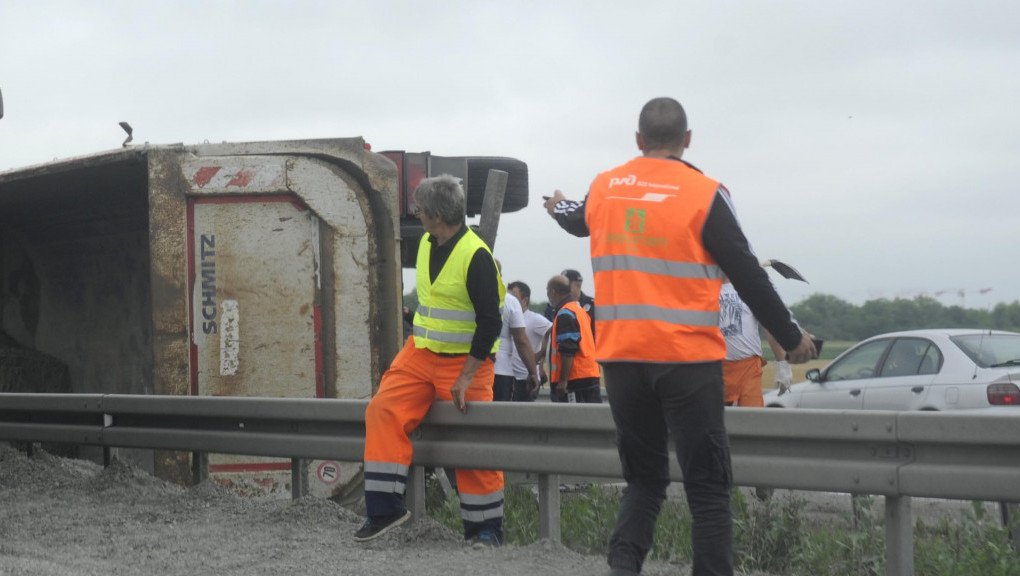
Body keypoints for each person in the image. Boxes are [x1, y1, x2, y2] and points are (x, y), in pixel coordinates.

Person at [544, 97, 816, 576]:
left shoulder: (606, 189)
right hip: (687, 362)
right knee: (708, 489)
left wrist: (555, 203)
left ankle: (623, 567)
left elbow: (573, 216)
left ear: (637, 140)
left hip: (623, 363)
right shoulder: (706, 193)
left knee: (644, 482)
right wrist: (792, 339)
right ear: (687, 140)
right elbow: (749, 274)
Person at [357, 174, 506, 549]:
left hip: (465, 364)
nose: (416, 214)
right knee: (382, 411)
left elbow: (490, 323)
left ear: (438, 214)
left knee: (472, 443)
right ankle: (385, 510)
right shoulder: (426, 241)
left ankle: (485, 531)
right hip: (420, 354)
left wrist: (465, 377)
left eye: (420, 209)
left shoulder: (477, 257)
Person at [719, 280, 789, 407]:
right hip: (714, 369)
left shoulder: (749, 288)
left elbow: (770, 325)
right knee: (713, 421)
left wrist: (782, 365)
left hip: (748, 367)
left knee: (752, 417)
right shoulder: (703, 287)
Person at [545, 275, 602, 404]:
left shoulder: (565, 313)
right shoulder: (578, 309)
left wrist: (563, 381)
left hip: (574, 381)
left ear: (553, 291)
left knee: (573, 422)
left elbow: (568, 349)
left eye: (547, 291)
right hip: (588, 375)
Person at [493, 265, 541, 401]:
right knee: (500, 417)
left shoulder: (467, 297)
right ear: (499, 275)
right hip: (501, 371)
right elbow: (521, 341)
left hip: (469, 369)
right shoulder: (510, 301)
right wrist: (532, 372)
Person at [507, 281, 552, 401]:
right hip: (510, 376)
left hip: (525, 379)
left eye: (514, 297)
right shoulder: (508, 317)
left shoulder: (535, 319)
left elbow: (553, 331)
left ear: (525, 300)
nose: (510, 301)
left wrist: (540, 356)